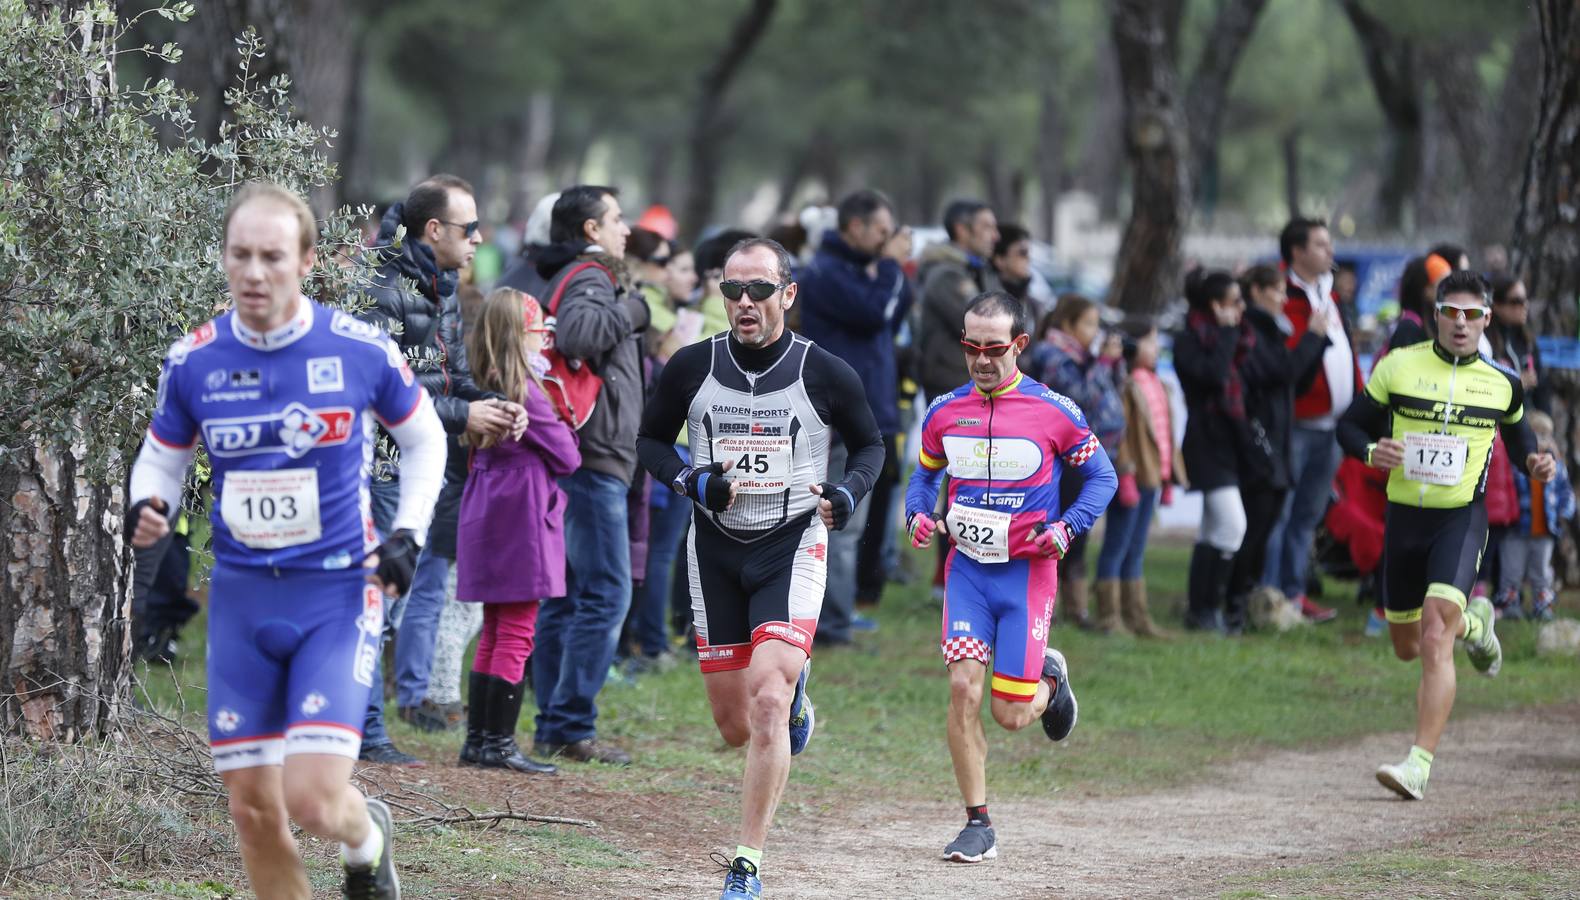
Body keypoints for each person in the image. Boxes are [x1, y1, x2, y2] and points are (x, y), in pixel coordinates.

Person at [127, 182, 447, 898]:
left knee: (310, 798)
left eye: (272, 256)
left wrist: (407, 535)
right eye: (240, 255)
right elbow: (162, 456)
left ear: (306, 261)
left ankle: (367, 843)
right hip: (241, 602)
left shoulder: (359, 349)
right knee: (251, 808)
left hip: (337, 591)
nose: (253, 272)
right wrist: (149, 502)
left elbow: (426, 440)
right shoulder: (194, 360)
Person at [636, 238, 884, 899]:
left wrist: (846, 494)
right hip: (715, 549)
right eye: (733, 291)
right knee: (735, 725)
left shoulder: (826, 371)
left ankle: (747, 861)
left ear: (788, 294)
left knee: (766, 704)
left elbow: (870, 445)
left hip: (791, 543)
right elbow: (650, 441)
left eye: (760, 290)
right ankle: (795, 696)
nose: (745, 303)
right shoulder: (693, 366)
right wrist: (694, 481)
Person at [905, 290, 1114, 864]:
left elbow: (1102, 477)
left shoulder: (1054, 410)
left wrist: (1068, 528)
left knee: (1012, 714)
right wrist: (918, 514)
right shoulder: (945, 411)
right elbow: (922, 480)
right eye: (971, 347)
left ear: (1019, 345)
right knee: (961, 689)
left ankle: (1050, 681)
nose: (981, 359)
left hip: (1027, 576)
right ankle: (978, 823)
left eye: (994, 348)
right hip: (968, 573)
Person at [1337, 270, 1554, 800]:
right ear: (1436, 316)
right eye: (1451, 313)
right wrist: (1371, 451)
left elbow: (1522, 439)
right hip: (1404, 519)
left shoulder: (1501, 382)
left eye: (1472, 314)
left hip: (1460, 519)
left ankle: (1418, 764)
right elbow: (1350, 426)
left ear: (1486, 318)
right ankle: (1477, 624)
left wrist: (1535, 460)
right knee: (1408, 647)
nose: (1461, 324)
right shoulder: (1399, 367)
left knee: (1435, 635)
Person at [360, 175, 526, 761]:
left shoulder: (445, 283)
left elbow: (453, 374)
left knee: (396, 598)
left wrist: (498, 406)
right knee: (377, 597)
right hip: (379, 464)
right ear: (435, 231)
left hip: (424, 464)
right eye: (470, 228)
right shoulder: (379, 286)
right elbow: (383, 396)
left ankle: (364, 728)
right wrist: (468, 412)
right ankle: (366, 734)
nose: (480, 239)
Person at [527, 185, 646, 766]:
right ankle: (570, 722)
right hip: (594, 457)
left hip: (579, 454)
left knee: (568, 594)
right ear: (593, 230)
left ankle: (554, 720)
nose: (628, 229)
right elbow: (578, 334)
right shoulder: (591, 276)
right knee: (606, 592)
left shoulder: (572, 274)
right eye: (618, 219)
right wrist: (637, 310)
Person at [455, 288, 577, 776]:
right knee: (518, 630)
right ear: (520, 335)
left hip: (487, 509)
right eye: (538, 332)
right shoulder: (527, 390)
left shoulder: (480, 387)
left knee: (495, 627)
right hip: (523, 515)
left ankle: (479, 740)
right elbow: (568, 456)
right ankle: (500, 743)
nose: (543, 340)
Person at [797, 188, 915, 641]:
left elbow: (894, 309)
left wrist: (889, 272)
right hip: (838, 415)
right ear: (855, 227)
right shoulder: (825, 273)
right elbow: (873, 313)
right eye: (881, 232)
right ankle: (828, 625)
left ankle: (839, 614)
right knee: (834, 522)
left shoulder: (861, 270)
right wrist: (890, 267)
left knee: (855, 522)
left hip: (872, 411)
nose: (888, 240)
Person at [1261, 217, 1360, 624]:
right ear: (1297, 251)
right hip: (1297, 425)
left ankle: (1295, 594)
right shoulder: (1283, 296)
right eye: (1320, 244)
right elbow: (1288, 364)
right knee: (1281, 513)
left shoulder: (1328, 294)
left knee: (1307, 516)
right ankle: (1268, 598)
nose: (1330, 252)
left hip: (1332, 427)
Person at [1233, 264, 1330, 631]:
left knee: (1266, 523)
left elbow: (1294, 382)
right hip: (1261, 445)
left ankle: (1250, 604)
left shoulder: (1273, 330)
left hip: (1277, 442)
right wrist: (1311, 339)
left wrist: (1316, 343)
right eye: (1275, 290)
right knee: (1254, 529)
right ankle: (1238, 603)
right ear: (1255, 292)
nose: (1283, 298)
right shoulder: (1253, 332)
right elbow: (1281, 371)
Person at [1033, 294, 1126, 629]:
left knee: (1081, 529)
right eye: (1088, 324)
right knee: (1060, 526)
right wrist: (1100, 364)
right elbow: (1077, 399)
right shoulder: (1052, 356)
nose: (1094, 331)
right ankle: (1050, 605)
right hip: (1064, 457)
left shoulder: (1087, 358)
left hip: (1089, 456)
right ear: (1068, 324)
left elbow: (1114, 390)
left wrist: (1113, 364)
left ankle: (1076, 606)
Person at [1174, 270, 1256, 632]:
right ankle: (1207, 609)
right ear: (1216, 306)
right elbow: (1213, 375)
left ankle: (1201, 611)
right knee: (1232, 525)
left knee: (1212, 527)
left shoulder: (1236, 338)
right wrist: (1225, 333)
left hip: (1229, 440)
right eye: (1235, 301)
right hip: (1206, 442)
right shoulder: (1190, 341)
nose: (1242, 309)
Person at [1096, 324, 1181, 637]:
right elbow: (1122, 434)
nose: (1156, 348)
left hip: (1151, 477)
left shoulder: (1158, 384)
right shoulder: (1127, 385)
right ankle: (1109, 616)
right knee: (1117, 544)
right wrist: (1125, 472)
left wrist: (1167, 476)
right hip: (1131, 476)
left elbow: (1164, 434)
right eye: (1150, 342)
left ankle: (1137, 616)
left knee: (1138, 547)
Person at [915, 200, 1001, 402]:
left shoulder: (979, 269)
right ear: (961, 230)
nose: (996, 236)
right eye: (987, 227)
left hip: (972, 383)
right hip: (953, 386)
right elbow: (989, 324)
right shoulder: (945, 275)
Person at [1500, 411, 1574, 621]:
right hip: (1516, 528)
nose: (1542, 440)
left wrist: (1564, 511)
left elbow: (1565, 491)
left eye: (1546, 434)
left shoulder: (1557, 467)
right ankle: (1510, 606)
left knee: (1541, 572)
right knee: (1512, 569)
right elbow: (1505, 489)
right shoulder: (1515, 465)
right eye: (1537, 434)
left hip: (1544, 531)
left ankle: (1542, 607)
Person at [1487, 274, 1549, 414]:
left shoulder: (1528, 341)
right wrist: (1516, 385)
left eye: (1525, 300)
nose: (1525, 306)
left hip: (1528, 417)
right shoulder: (1485, 342)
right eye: (1517, 301)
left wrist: (1546, 417)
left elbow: (1542, 388)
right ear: (1496, 305)